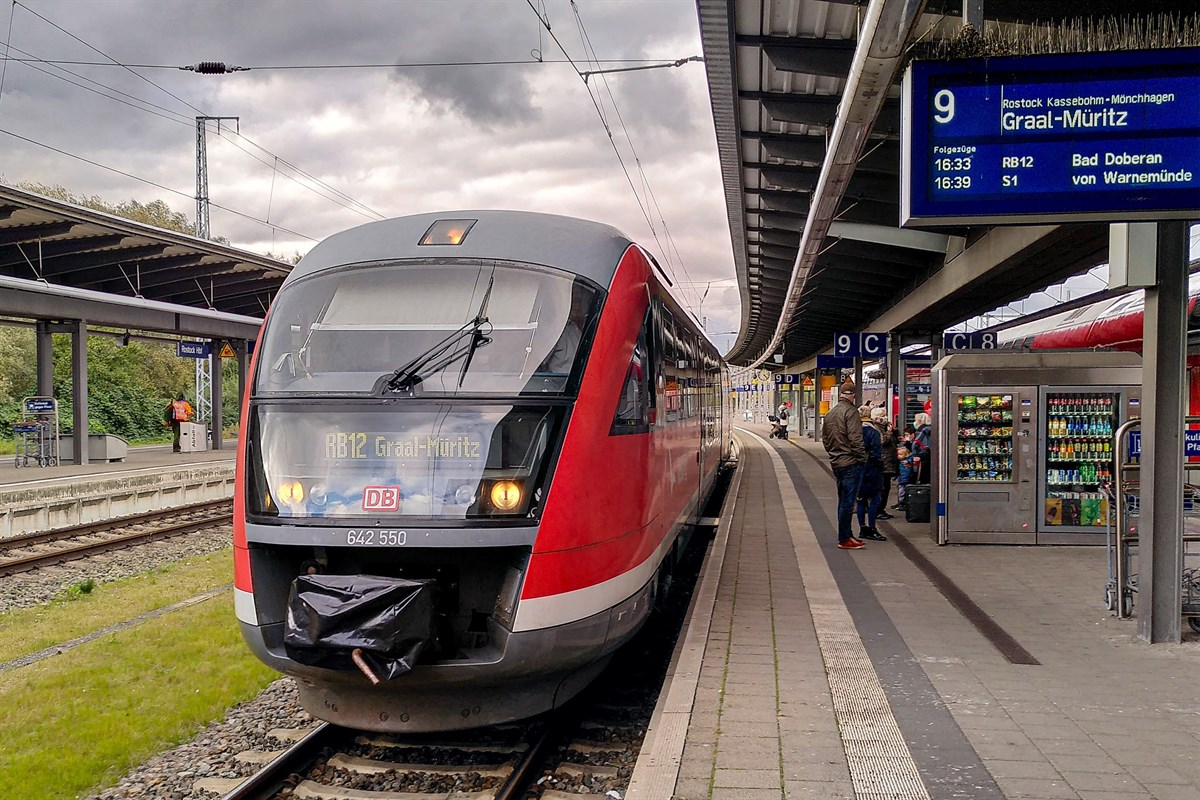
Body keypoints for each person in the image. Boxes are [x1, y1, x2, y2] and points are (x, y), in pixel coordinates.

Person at [821, 379, 867, 550]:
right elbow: (856, 439)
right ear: (853, 395)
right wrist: (862, 458)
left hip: (836, 461)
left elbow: (825, 439)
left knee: (843, 500)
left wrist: (833, 454)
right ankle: (844, 538)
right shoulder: (851, 412)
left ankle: (847, 534)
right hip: (851, 462)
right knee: (848, 502)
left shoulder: (831, 413)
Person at [855, 405, 887, 541]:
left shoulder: (854, 430)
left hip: (857, 469)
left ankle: (862, 528)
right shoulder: (873, 432)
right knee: (875, 499)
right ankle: (872, 528)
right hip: (872, 470)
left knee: (861, 500)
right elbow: (876, 453)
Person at [871, 407, 899, 520]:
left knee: (885, 487)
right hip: (883, 463)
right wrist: (889, 432)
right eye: (883, 416)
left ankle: (880, 509)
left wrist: (894, 432)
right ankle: (878, 510)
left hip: (888, 462)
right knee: (882, 488)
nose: (885, 418)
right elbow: (882, 441)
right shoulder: (877, 428)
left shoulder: (883, 427)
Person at [912, 412, 933, 483]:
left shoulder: (924, 431)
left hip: (923, 460)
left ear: (919, 421)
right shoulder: (929, 429)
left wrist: (919, 455)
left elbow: (923, 445)